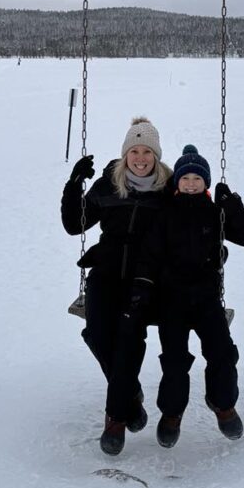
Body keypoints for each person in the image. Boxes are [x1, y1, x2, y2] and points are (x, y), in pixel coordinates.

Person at [132, 144, 244, 448]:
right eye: (185, 177)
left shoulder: (215, 212)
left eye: (197, 178)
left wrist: (233, 206)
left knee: (222, 353)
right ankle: (172, 413)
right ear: (176, 181)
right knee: (175, 361)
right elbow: (149, 255)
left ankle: (223, 404)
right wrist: (142, 289)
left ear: (206, 182)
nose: (191, 183)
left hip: (206, 299)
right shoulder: (164, 213)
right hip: (171, 300)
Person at [61, 116, 172, 456]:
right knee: (96, 334)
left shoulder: (168, 189)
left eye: (147, 152)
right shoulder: (110, 184)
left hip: (146, 279)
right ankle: (130, 397)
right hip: (107, 272)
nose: (140, 158)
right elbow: (74, 224)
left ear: (156, 156)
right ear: (125, 155)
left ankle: (116, 418)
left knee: (128, 339)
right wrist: (74, 184)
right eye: (134, 151)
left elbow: (188, 226)